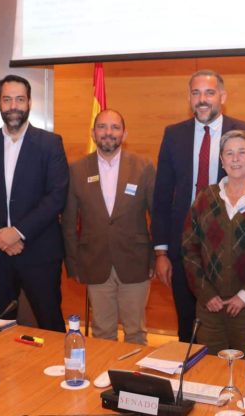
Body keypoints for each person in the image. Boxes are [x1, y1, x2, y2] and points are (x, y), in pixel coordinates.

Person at [152, 69, 245, 342]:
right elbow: (161, 197)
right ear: (189, 98)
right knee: (187, 328)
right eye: (196, 93)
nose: (202, 99)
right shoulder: (173, 135)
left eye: (209, 92)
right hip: (184, 250)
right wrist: (161, 252)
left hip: (233, 251)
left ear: (222, 97)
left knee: (231, 331)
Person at [0, 74, 68, 332]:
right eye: (7, 99)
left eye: (19, 99)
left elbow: (56, 196)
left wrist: (17, 232)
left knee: (50, 325)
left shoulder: (50, 144)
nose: (13, 106)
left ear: (29, 102)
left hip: (39, 252)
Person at [182, 130, 245, 354]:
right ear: (221, 160)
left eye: (242, 152)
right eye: (229, 153)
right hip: (210, 308)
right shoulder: (204, 198)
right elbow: (189, 249)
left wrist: (244, 297)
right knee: (208, 373)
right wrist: (206, 294)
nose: (235, 159)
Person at [62, 109, 155, 344]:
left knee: (135, 332)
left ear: (124, 134)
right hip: (94, 262)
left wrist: (155, 259)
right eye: (102, 127)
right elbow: (70, 222)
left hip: (135, 262)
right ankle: (105, 379)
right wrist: (73, 264)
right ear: (93, 134)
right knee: (102, 332)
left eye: (115, 128)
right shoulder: (77, 170)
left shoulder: (144, 167)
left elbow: (157, 217)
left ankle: (133, 380)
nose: (108, 133)